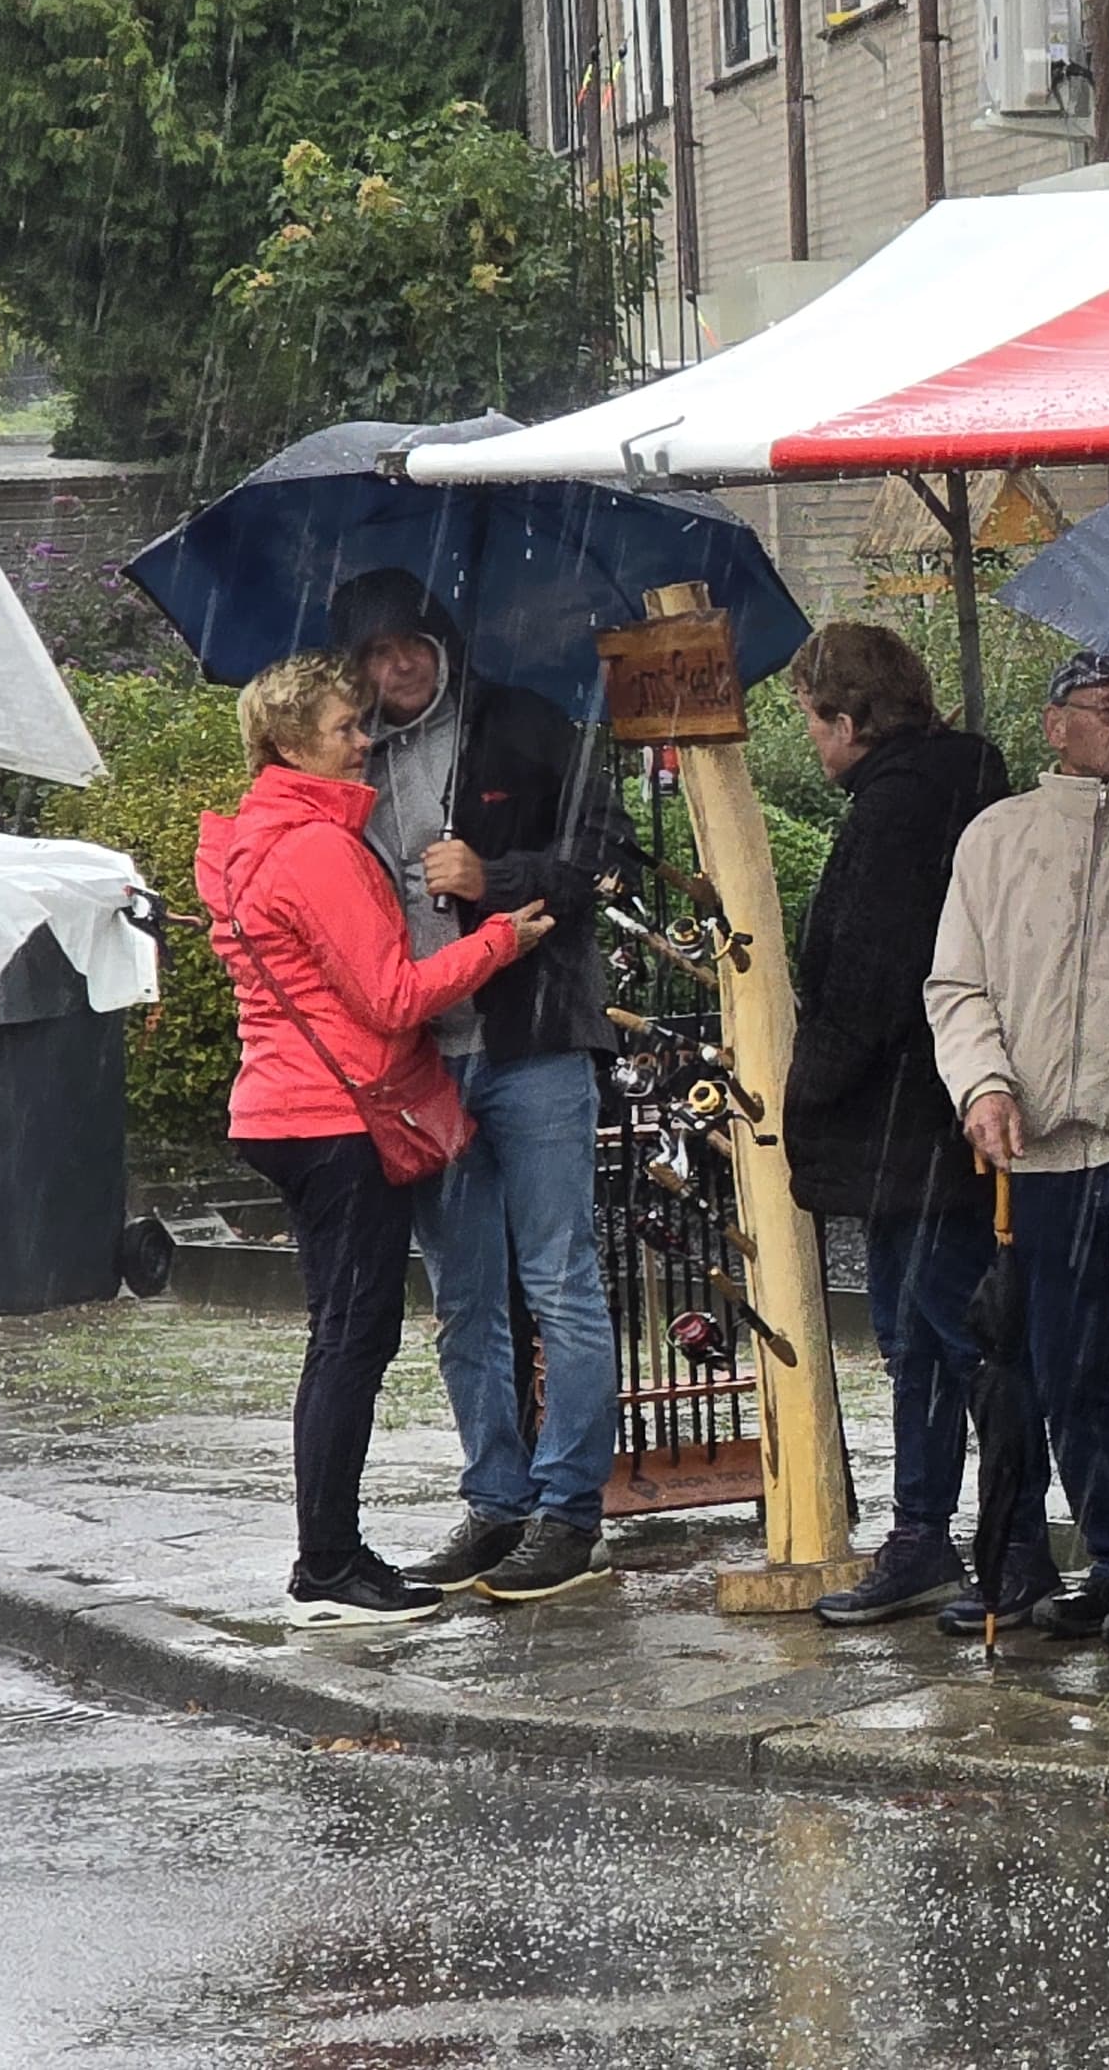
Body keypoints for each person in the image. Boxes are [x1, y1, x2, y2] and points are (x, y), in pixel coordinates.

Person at [195, 653, 548, 1626]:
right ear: (293, 739)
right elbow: (392, 996)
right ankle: (330, 1563)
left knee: (338, 1336)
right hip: (336, 1118)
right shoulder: (315, 848)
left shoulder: (252, 838)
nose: (365, 739)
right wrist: (498, 941)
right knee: (354, 1338)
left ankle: (330, 1551)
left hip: (281, 1108)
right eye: (347, 726)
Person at [328, 569, 629, 1608]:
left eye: (410, 642)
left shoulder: (528, 723)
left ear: (441, 638)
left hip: (533, 1041)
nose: (396, 665)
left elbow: (598, 858)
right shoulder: (354, 762)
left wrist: (493, 876)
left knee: (558, 1277)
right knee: (463, 1300)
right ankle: (496, 1496)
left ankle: (569, 1509)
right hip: (422, 1057)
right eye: (373, 653)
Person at [927, 652, 1109, 1637]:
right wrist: (982, 1084)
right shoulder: (995, 837)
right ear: (1057, 725)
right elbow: (957, 985)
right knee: (1064, 1368)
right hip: (1042, 1154)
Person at [781, 624, 1014, 1629]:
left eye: (810, 722)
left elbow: (871, 974)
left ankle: (969, 1540)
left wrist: (806, 1082)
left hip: (908, 1117)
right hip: (941, 1108)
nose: (809, 745)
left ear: (847, 719)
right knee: (940, 1335)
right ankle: (939, 1531)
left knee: (940, 1337)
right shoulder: (960, 786)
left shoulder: (895, 810)